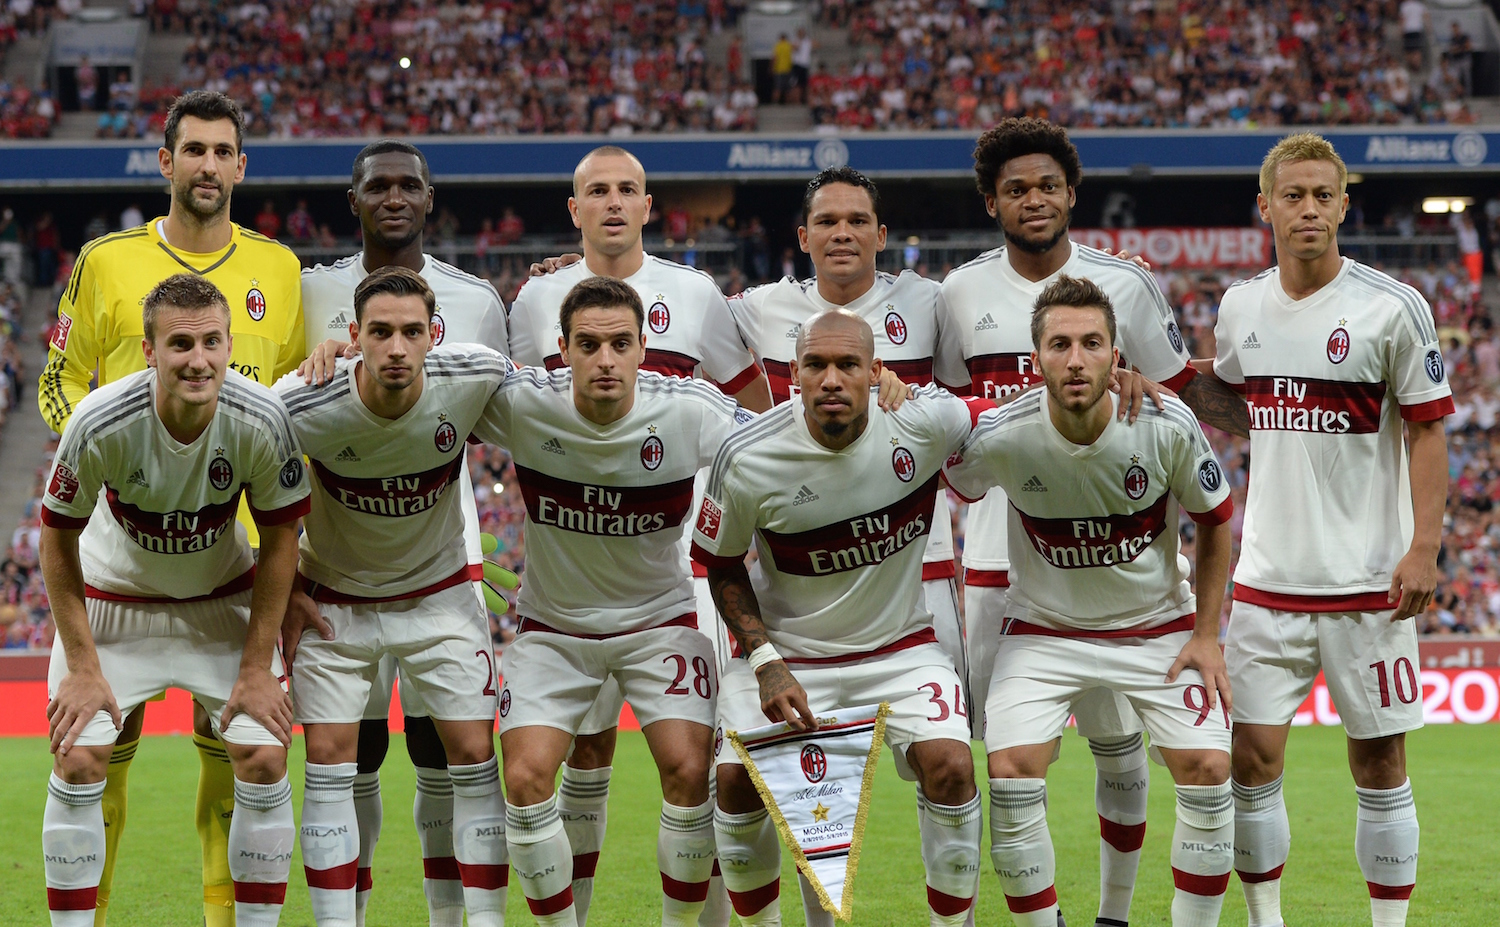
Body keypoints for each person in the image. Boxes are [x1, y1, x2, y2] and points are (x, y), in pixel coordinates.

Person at [934, 117, 1248, 927]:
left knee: (1120, 744)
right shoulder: (959, 294)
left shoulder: (1128, 286)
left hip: (1126, 568)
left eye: (1046, 185)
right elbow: (940, 420)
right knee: (999, 766)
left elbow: (1182, 392)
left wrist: (1286, 405)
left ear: (1071, 193)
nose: (1033, 200)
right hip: (1011, 563)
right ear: (991, 201)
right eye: (1015, 189)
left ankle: (1112, 912)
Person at [35, 89, 304, 927]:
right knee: (95, 756)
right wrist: (116, 452)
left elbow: (292, 400)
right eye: (195, 150)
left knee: (240, 757)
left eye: (225, 152)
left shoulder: (281, 267)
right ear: (167, 162)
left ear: (241, 165)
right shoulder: (104, 259)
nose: (210, 166)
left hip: (235, 551)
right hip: (123, 534)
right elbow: (58, 381)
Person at [510, 145, 770, 926]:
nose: (615, 202)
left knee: (699, 766)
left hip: (680, 568)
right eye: (599, 190)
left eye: (628, 189)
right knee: (582, 754)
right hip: (565, 585)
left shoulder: (694, 293)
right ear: (576, 208)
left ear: (649, 205)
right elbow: (511, 401)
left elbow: (751, 406)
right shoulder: (534, 300)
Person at [1203, 133, 1451, 927]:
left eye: (1322, 195)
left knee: (1379, 760)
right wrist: (1162, 386)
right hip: (1265, 583)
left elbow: (1429, 430)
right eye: (1293, 194)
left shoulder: (1392, 304)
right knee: (1252, 759)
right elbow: (1244, 408)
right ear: (1266, 205)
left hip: (1370, 583)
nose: (1307, 208)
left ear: (1344, 206)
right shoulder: (1240, 306)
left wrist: (1424, 547)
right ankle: (1265, 919)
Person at [727, 165, 976, 927]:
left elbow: (997, 385)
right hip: (796, 574)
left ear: (881, 233)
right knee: (792, 787)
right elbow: (648, 318)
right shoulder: (753, 309)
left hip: (915, 575)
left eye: (857, 219)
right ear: (802, 237)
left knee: (951, 765)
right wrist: (568, 268)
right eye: (826, 220)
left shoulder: (933, 303)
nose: (842, 232)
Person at [476, 275, 750, 927]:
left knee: (690, 771)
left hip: (660, 624)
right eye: (589, 344)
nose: (605, 359)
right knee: (525, 780)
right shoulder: (522, 403)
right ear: (562, 348)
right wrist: (342, 352)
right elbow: (424, 390)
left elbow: (775, 450)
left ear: (642, 346)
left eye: (620, 343)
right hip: (553, 631)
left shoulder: (689, 408)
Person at [296, 138, 510, 927]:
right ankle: (347, 909)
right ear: (350, 199)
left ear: (430, 198)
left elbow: (506, 405)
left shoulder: (477, 299)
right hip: (336, 564)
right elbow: (283, 411)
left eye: (407, 185)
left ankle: (448, 915)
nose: (393, 197)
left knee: (439, 749)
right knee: (354, 755)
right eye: (376, 185)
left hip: (440, 555)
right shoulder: (304, 287)